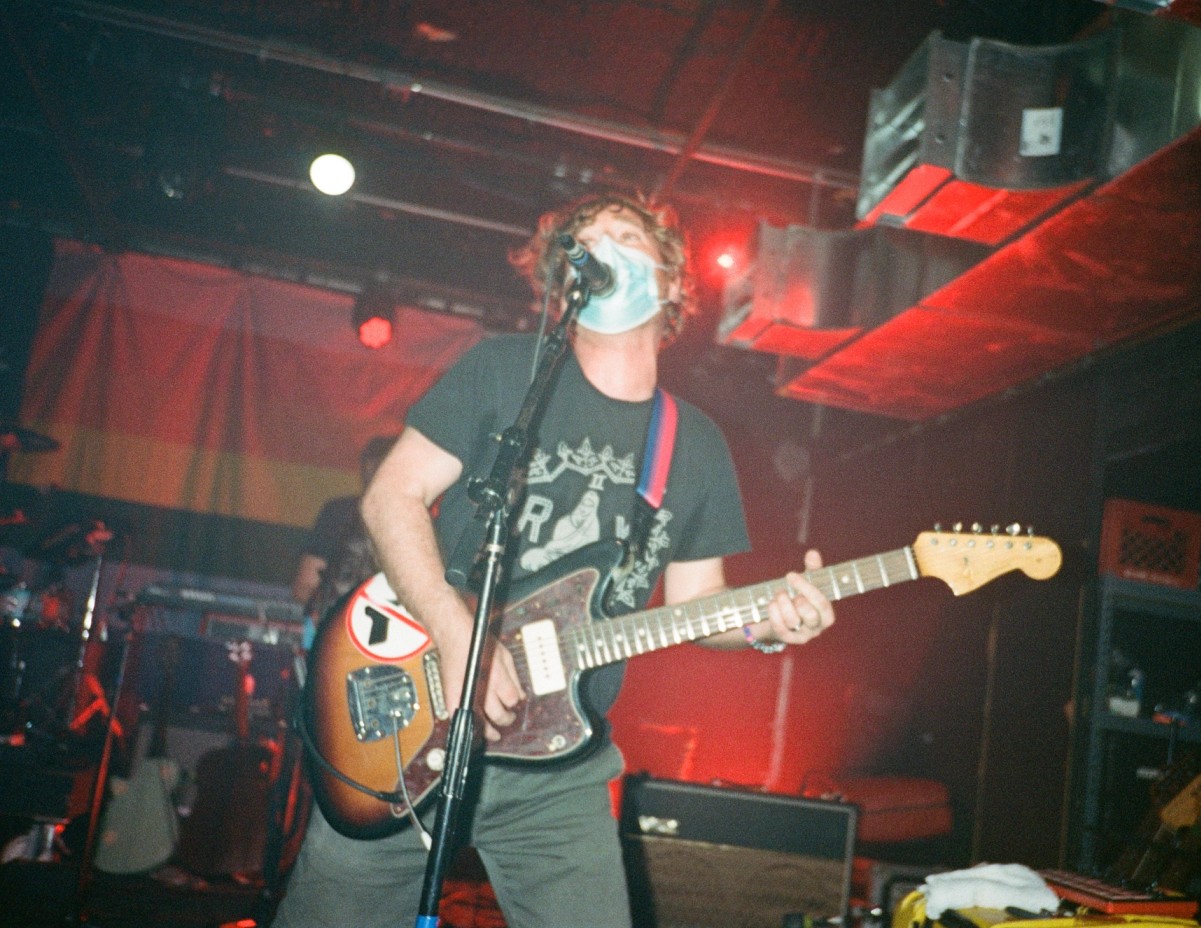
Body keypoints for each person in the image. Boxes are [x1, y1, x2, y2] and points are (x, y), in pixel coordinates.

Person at [271, 193, 836, 928]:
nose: (597, 248)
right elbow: (391, 499)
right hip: (416, 722)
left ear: (669, 283)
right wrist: (455, 630)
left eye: (621, 237)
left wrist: (768, 624)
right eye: (583, 241)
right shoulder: (505, 371)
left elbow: (701, 606)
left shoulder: (694, 446)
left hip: (560, 771)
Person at [290, 435, 396, 625]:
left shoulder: (421, 525)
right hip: (337, 631)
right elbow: (304, 587)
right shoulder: (339, 514)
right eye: (374, 465)